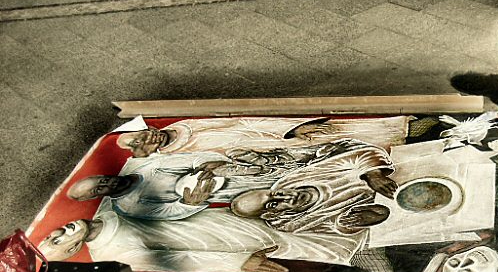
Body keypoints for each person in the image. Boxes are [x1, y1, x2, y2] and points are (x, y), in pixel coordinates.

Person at [37, 199, 373, 272]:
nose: (60, 230)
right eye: (57, 241)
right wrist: (236, 262)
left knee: (289, 215)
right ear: (72, 250)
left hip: (213, 219)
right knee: (285, 240)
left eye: (52, 233)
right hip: (217, 243)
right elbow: (178, 262)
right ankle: (359, 251)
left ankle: (365, 221)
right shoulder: (110, 253)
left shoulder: (106, 208)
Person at [66, 143, 355, 221]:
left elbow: (192, 159)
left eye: (100, 180)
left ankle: (327, 168)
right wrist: (187, 203)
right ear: (96, 197)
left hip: (221, 173)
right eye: (97, 190)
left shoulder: (147, 167)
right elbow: (167, 213)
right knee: (274, 195)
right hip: (214, 193)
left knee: (267, 168)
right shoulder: (129, 206)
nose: (105, 184)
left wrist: (208, 163)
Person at [231, 139, 397, 235]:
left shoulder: (301, 177)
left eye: (276, 194)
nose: (287, 196)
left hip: (394, 171)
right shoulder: (293, 224)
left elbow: (364, 153)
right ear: (271, 215)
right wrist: (374, 216)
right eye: (274, 204)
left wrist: (373, 174)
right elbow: (340, 225)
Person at [116, 115, 412, 158]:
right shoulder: (173, 157)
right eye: (139, 145)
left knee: (343, 133)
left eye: (142, 136)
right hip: (274, 158)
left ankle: (413, 132)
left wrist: (291, 129)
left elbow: (244, 122)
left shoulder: (186, 126)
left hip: (280, 135)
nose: (147, 141)